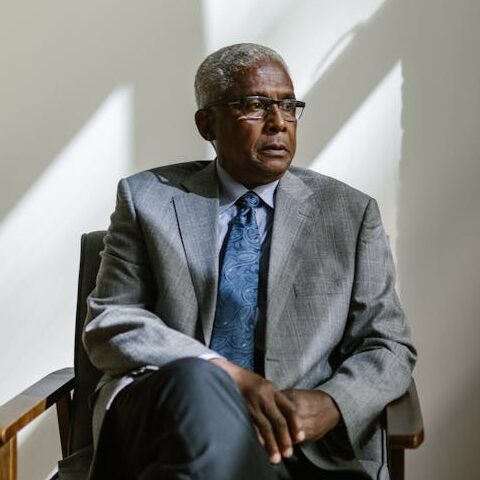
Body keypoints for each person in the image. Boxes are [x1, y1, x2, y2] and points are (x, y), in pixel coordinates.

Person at [83, 43, 416, 480]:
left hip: (295, 442)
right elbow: (111, 321)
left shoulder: (349, 215)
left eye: (289, 106)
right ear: (207, 124)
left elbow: (388, 343)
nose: (279, 123)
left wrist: (334, 403)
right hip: (166, 420)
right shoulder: (148, 200)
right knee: (198, 385)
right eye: (255, 106)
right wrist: (227, 376)